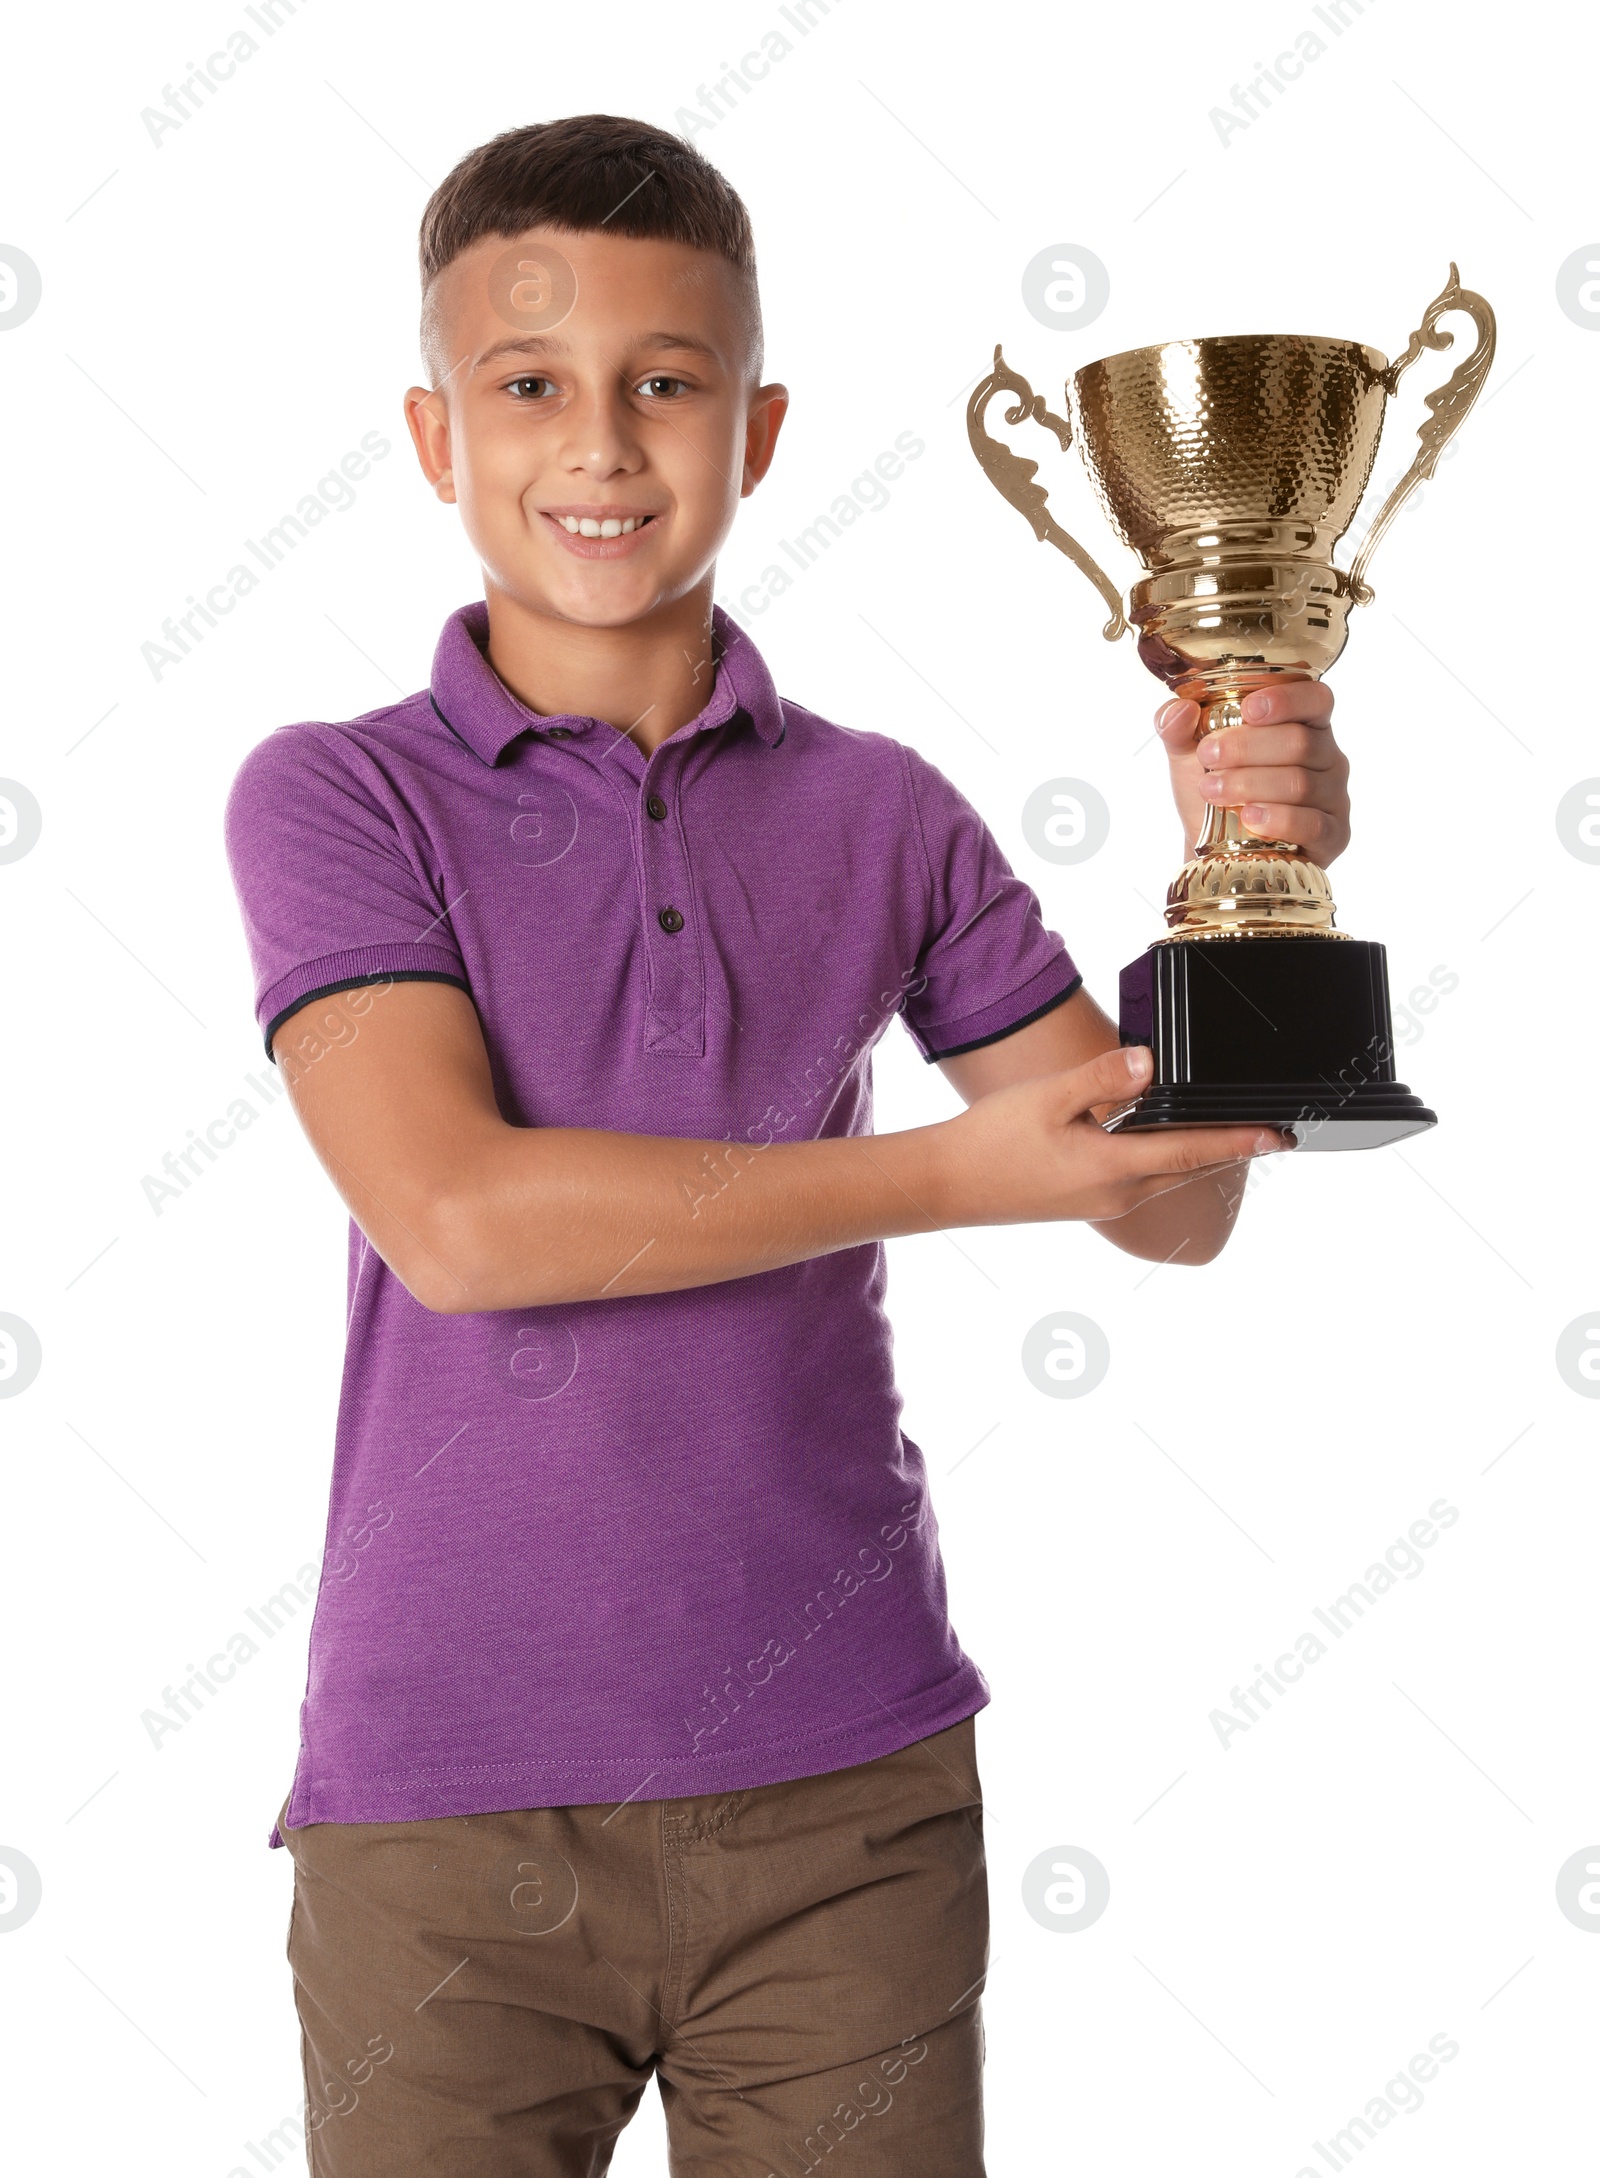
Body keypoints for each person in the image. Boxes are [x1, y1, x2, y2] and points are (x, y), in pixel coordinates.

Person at [224, 112, 1351, 2178]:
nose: (600, 445)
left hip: (848, 1796)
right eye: (530, 387)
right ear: (429, 433)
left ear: (753, 433)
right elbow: (458, 1220)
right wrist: (946, 1175)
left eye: (666, 383)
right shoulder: (336, 799)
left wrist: (1233, 887)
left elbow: (1163, 1207)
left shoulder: (880, 811)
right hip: (446, 1805)